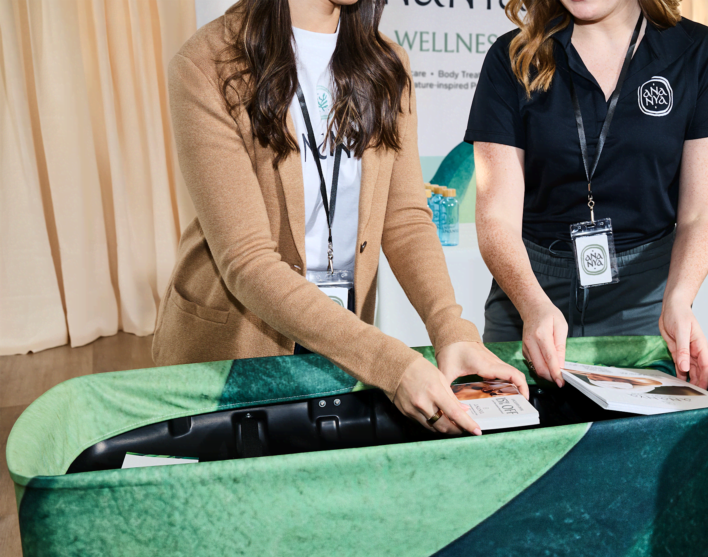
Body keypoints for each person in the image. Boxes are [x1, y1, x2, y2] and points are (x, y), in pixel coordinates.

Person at [153, 0, 527, 436]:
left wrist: (453, 331)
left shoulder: (386, 64)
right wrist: (391, 362)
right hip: (233, 356)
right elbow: (247, 260)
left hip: (342, 347)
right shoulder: (207, 64)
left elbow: (405, 219)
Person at [465, 0, 708, 390]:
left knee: (631, 445)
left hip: (644, 297)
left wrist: (679, 299)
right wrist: (532, 304)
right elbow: (495, 217)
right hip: (529, 290)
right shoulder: (512, 58)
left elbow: (701, 216)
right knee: (521, 441)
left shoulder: (701, 54)